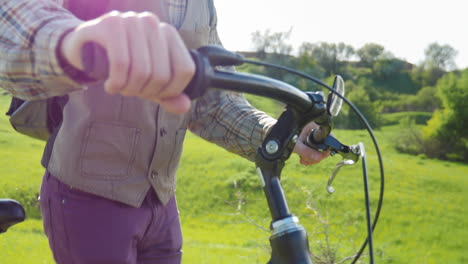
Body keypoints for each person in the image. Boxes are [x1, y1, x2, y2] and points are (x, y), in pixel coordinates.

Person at [0, 0, 329, 263]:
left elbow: (212, 103)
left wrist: (281, 132)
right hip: (87, 195)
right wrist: (72, 44)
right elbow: (15, 16)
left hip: (161, 202)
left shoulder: (203, 6)